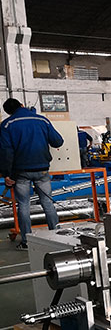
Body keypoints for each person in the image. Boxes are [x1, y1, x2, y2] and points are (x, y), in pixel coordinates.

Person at [0, 98, 64, 250]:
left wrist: (7, 174)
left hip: (20, 172)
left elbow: (6, 151)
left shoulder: (7, 124)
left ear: (8, 112)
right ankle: (58, 237)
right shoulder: (42, 120)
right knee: (47, 202)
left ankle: (26, 242)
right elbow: (58, 141)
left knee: (24, 204)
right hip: (42, 170)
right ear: (22, 105)